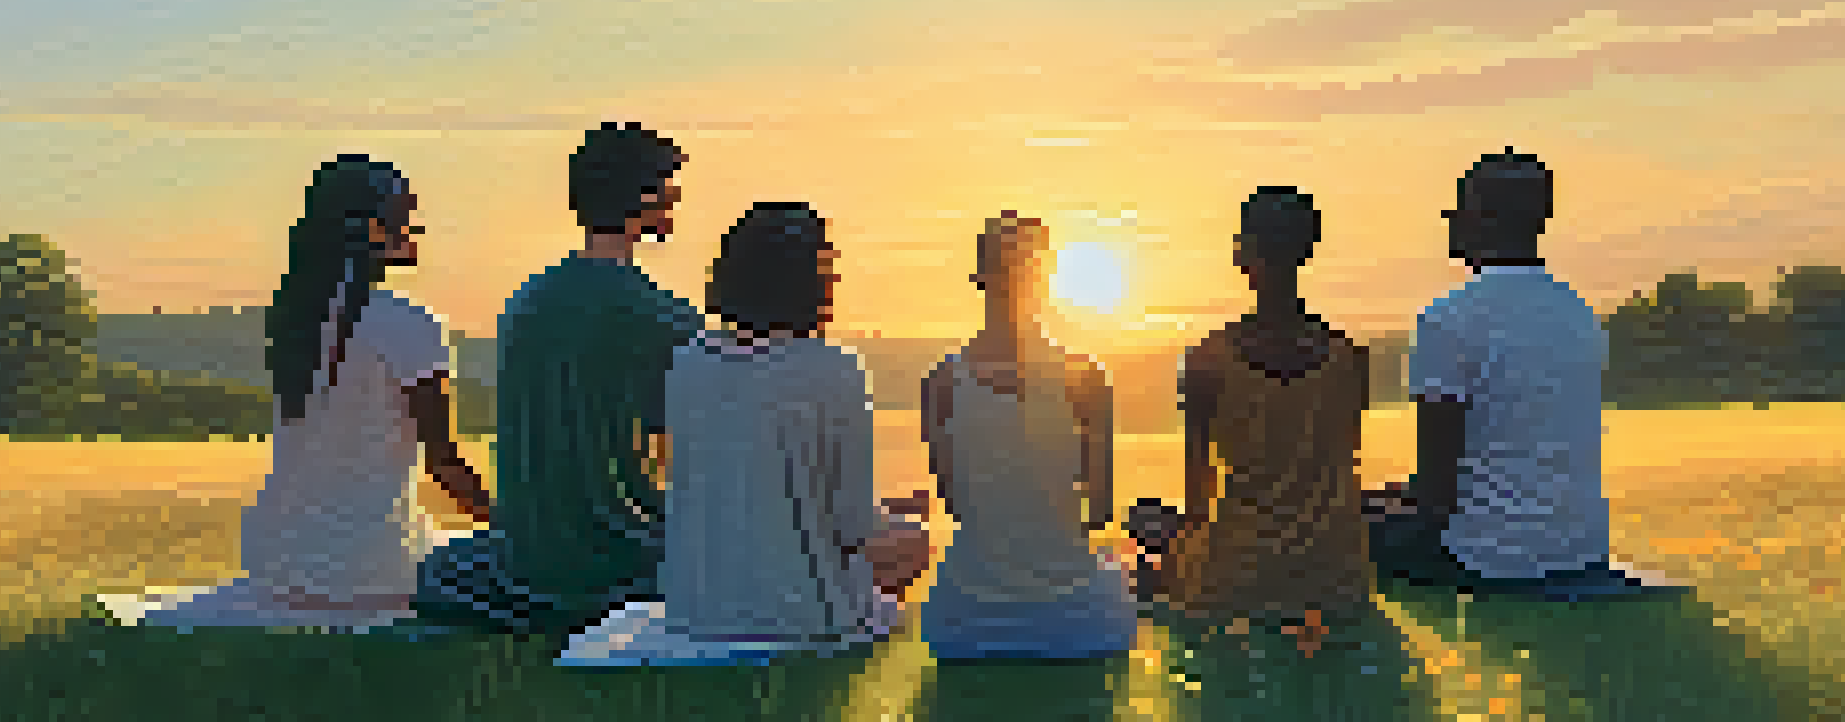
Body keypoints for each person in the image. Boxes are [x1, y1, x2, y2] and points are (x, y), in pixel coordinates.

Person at [109, 155, 490, 630]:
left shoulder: (297, 324)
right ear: (374, 229)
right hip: (366, 570)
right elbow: (445, 465)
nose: (417, 230)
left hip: (273, 562)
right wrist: (512, 530)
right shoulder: (411, 324)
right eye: (406, 216)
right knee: (488, 563)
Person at [559, 204, 929, 666]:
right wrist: (901, 521)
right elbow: (852, 526)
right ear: (813, 279)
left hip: (695, 611)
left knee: (890, 527)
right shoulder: (836, 368)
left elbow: (743, 485)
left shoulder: (689, 362)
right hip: (803, 617)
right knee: (915, 542)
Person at [411, 122, 707, 634]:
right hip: (619, 559)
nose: (675, 202)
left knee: (447, 567)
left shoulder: (526, 301)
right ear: (646, 198)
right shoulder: (666, 318)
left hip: (525, 562)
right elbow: (690, 458)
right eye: (670, 190)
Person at [1368, 148, 1676, 598]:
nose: (1449, 219)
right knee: (1368, 504)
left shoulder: (1447, 317)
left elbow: (1436, 496)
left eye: (1459, 207)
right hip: (1579, 548)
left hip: (1486, 556)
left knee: (1316, 531)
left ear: (1482, 217)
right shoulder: (1577, 313)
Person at [917, 212, 1137, 661]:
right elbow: (1100, 510)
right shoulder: (1086, 378)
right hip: (1078, 625)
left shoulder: (943, 381)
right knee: (1120, 566)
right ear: (1046, 278)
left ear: (979, 277)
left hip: (963, 624)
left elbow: (955, 503)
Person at [1156, 187, 1374, 625]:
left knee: (1148, 519)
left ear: (1241, 256)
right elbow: (1344, 466)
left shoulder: (1206, 361)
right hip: (1335, 577)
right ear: (1308, 251)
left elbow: (1199, 500)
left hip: (1239, 579)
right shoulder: (1348, 358)